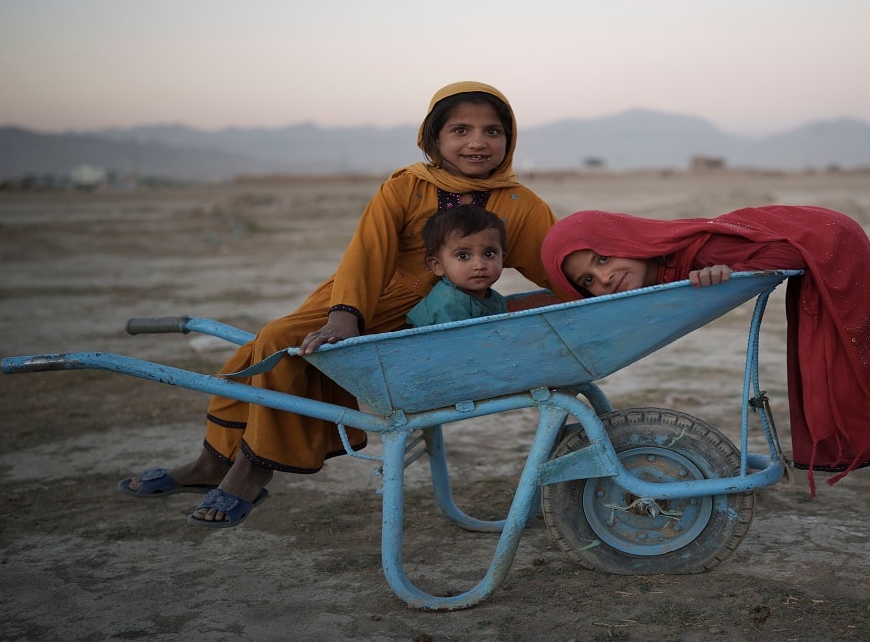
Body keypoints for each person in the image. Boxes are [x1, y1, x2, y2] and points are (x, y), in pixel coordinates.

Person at [118, 81, 559, 528]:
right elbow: (368, 253)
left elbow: (555, 264)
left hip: (421, 322)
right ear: (434, 138)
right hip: (358, 297)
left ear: (509, 138)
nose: (478, 142)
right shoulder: (407, 187)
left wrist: (606, 284)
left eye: (492, 131)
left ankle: (250, 471)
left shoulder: (519, 205)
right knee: (265, 350)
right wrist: (345, 315)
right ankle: (213, 462)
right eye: (461, 130)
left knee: (276, 345)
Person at [540, 205, 870, 492]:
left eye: (603, 258)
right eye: (588, 280)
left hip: (830, 239)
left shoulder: (700, 251)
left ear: (626, 239)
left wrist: (730, 270)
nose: (604, 277)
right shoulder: (672, 264)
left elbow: (790, 256)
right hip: (818, 231)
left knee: (865, 349)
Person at [406, 204, 508, 327]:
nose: (479, 265)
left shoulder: (494, 298)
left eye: (488, 254)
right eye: (463, 256)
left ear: (502, 258)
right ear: (437, 265)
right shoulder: (447, 306)